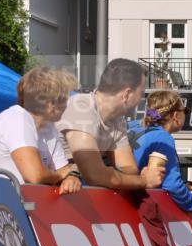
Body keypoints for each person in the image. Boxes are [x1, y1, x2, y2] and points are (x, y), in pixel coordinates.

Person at [57, 58, 164, 190]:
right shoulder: (80, 107)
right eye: (141, 93)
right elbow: (95, 176)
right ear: (127, 94)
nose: (142, 100)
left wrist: (106, 173)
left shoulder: (117, 120)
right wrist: (143, 181)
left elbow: (130, 169)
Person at [0, 67, 81, 194]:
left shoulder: (48, 126)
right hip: (3, 206)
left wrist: (71, 177)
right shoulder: (17, 118)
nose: (67, 104)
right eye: (65, 98)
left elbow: (64, 169)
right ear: (51, 103)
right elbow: (35, 175)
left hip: (17, 205)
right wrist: (61, 175)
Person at [128, 91, 192, 218]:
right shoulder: (163, 137)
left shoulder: (133, 127)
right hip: (133, 204)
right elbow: (172, 185)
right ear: (176, 115)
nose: (186, 115)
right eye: (185, 111)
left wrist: (185, 187)